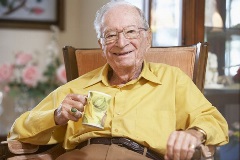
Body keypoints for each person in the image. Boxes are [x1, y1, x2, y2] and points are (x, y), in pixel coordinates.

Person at [7, 1, 228, 160]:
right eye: (110, 35)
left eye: (131, 32)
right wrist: (56, 116)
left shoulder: (172, 80)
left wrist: (193, 133)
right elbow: (17, 132)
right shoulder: (77, 87)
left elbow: (215, 122)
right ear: (101, 44)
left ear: (146, 38)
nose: (121, 43)